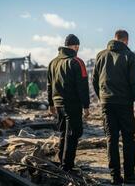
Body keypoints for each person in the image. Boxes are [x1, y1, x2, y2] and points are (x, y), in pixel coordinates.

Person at [92, 30, 135, 185]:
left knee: (111, 139)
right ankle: (129, 175)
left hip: (107, 103)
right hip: (124, 103)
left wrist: (103, 97)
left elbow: (95, 80)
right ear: (126, 40)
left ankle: (115, 176)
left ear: (115, 39)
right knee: (128, 139)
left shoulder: (101, 55)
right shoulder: (129, 56)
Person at [47, 34, 90, 172]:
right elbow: (82, 86)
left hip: (58, 104)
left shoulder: (52, 62)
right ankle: (67, 166)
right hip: (72, 104)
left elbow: (49, 85)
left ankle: (62, 162)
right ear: (76, 46)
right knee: (74, 133)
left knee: (64, 132)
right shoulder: (77, 61)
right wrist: (86, 106)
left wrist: (51, 104)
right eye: (78, 46)